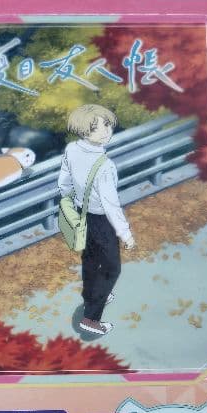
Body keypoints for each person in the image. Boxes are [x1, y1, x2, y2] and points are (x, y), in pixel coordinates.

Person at [57, 104, 135, 336]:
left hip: (82, 215)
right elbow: (111, 205)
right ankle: (91, 319)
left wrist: (73, 199)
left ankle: (91, 294)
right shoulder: (105, 166)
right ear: (84, 131)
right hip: (101, 221)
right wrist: (125, 234)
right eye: (97, 128)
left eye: (107, 125)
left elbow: (64, 182)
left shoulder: (72, 149)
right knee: (111, 268)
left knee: (90, 260)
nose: (105, 132)